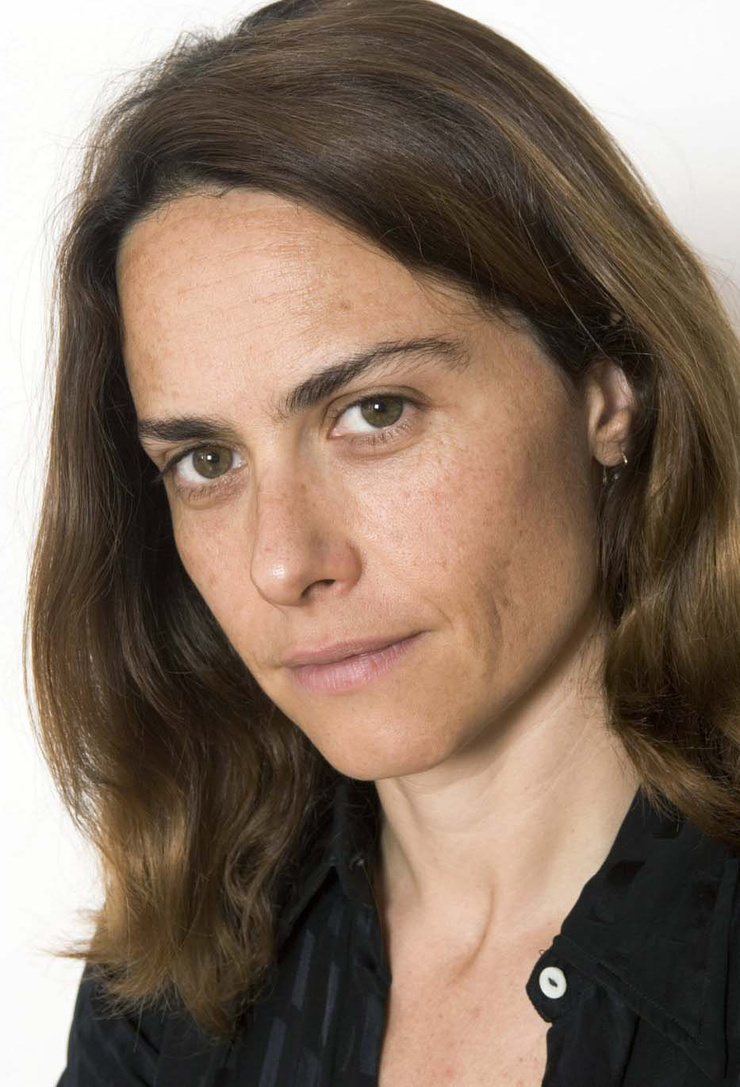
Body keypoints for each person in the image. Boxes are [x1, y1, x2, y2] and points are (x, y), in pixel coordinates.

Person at [27, 0, 739, 1084]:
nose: (282, 563)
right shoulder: (174, 985)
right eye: (207, 460)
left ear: (610, 390)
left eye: (373, 412)